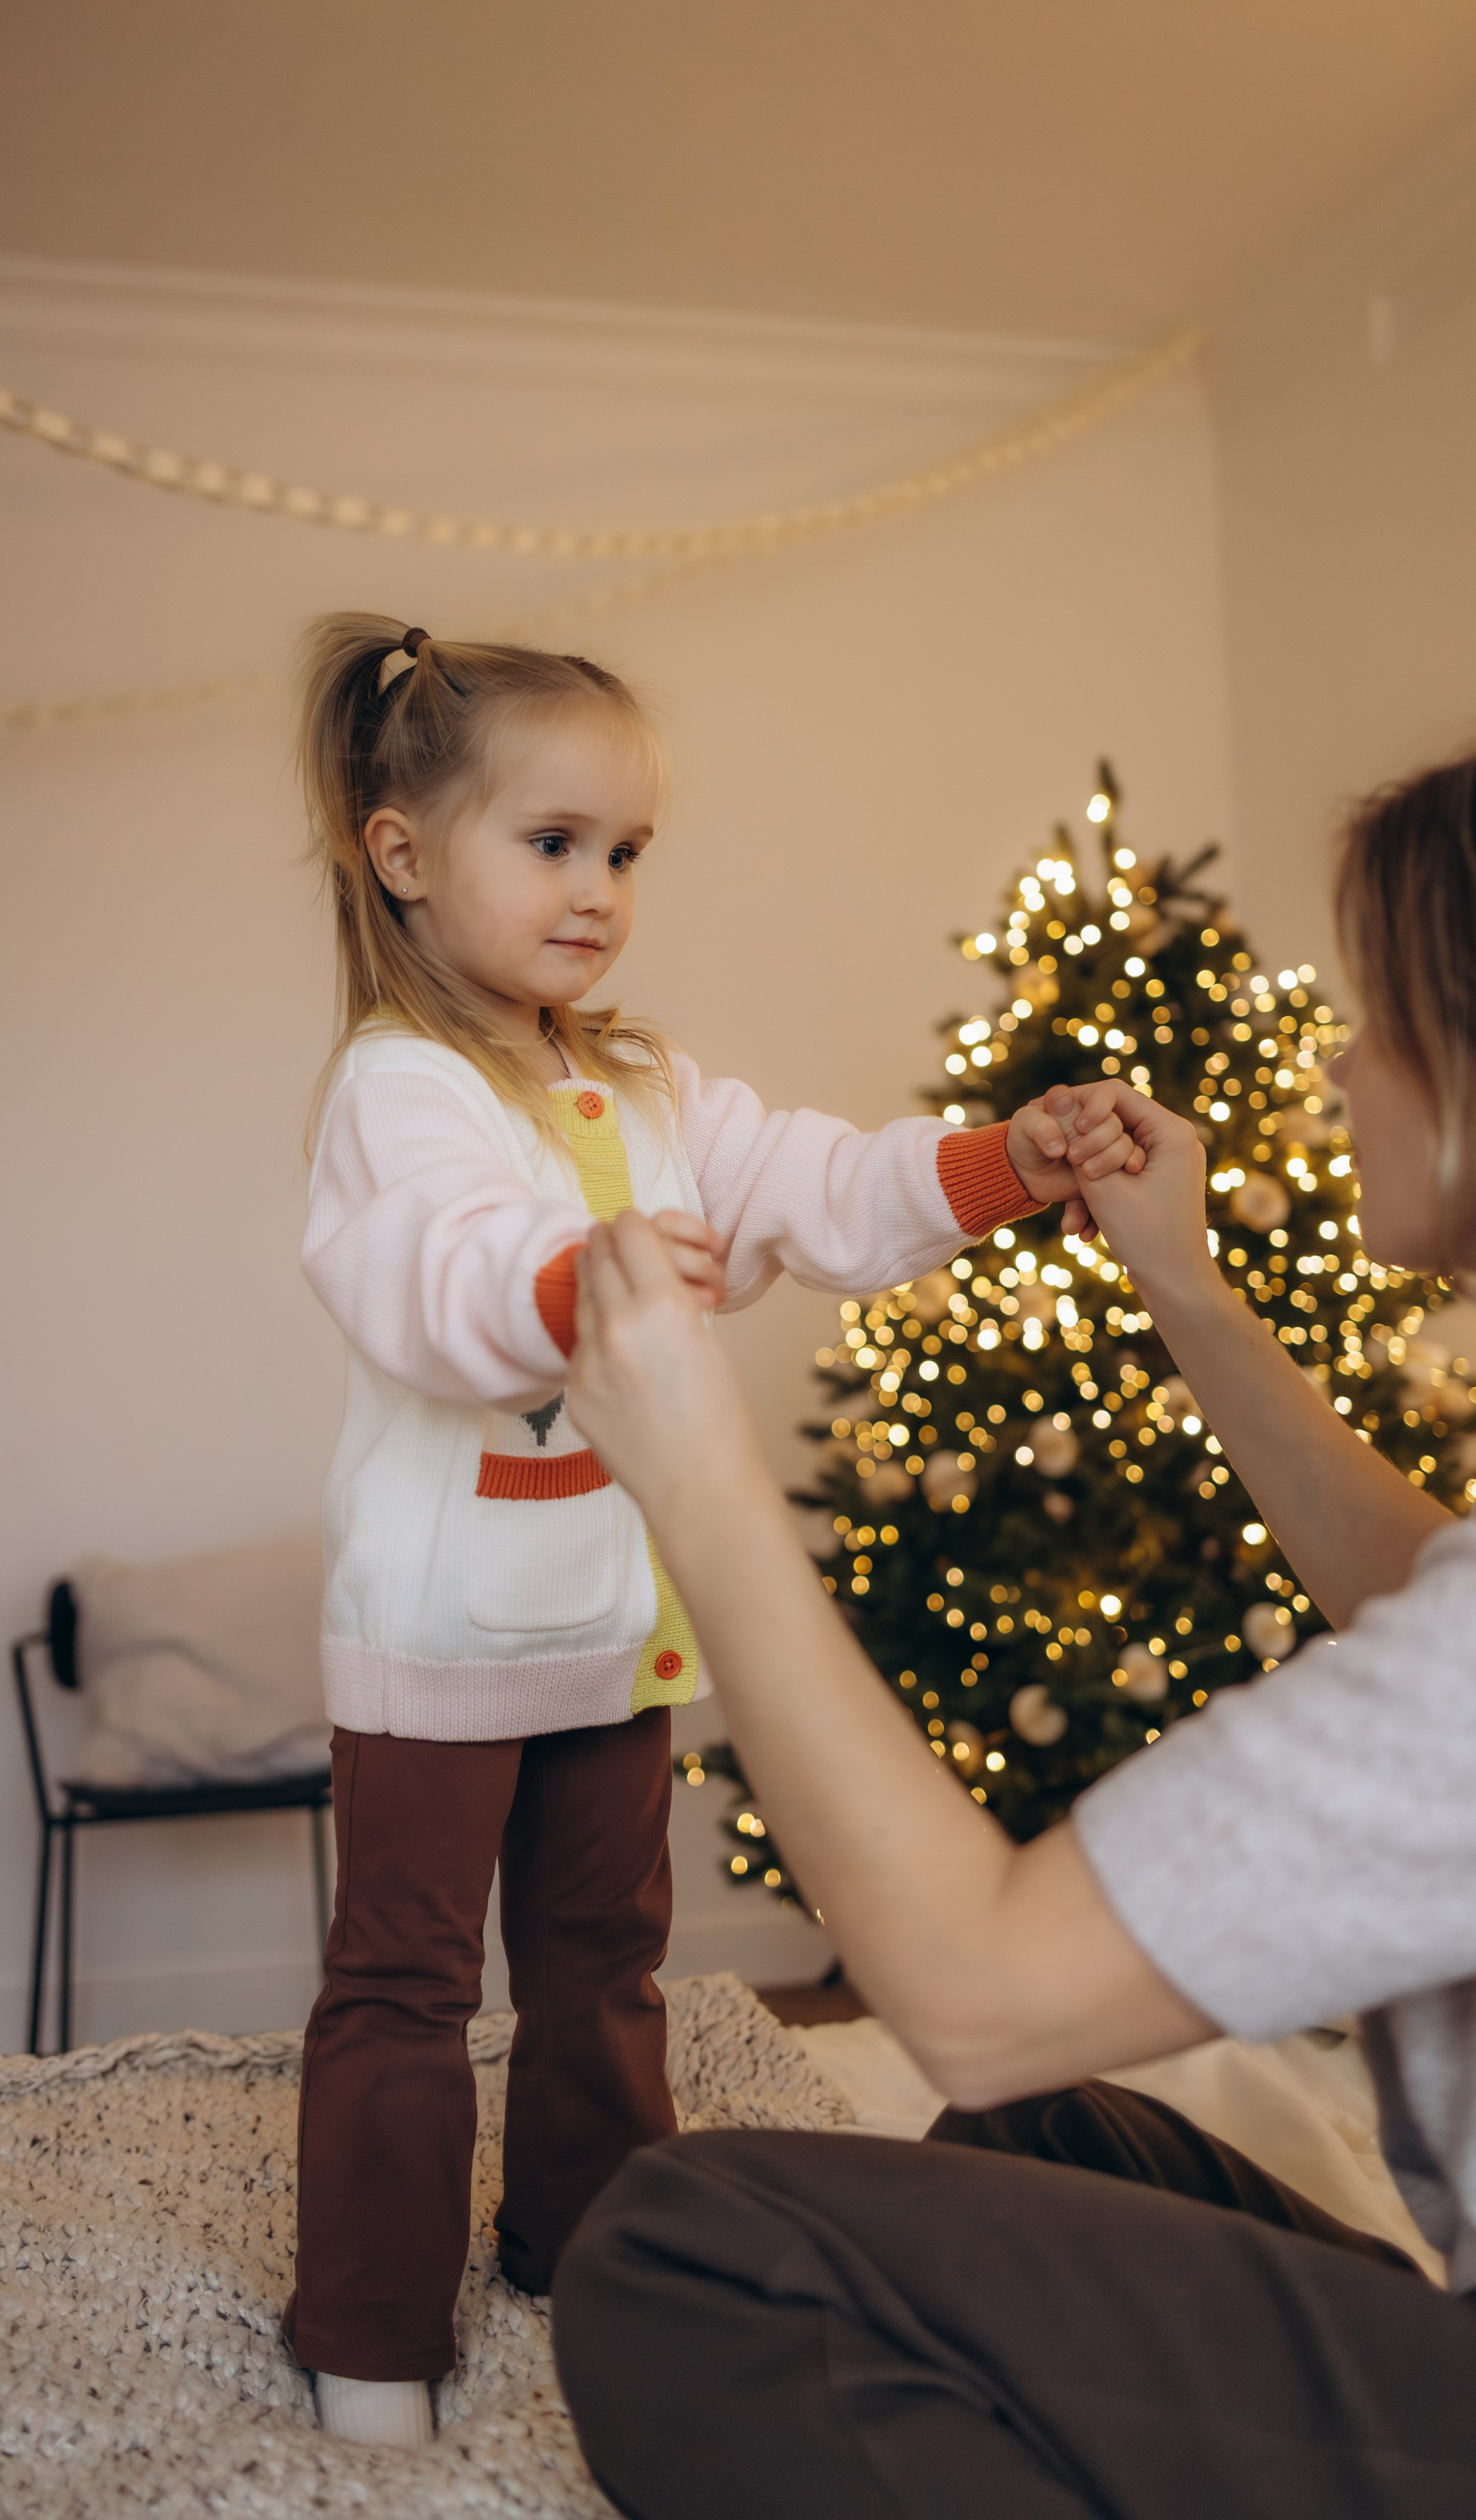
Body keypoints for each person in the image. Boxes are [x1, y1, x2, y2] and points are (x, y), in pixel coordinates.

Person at [551, 698, 1476, 2518]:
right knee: (1043, 2149)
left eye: (1386, 1018)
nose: (1338, 1067)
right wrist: (1195, 1301)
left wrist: (697, 1475)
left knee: (702, 2237)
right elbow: (1449, 1614)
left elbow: (980, 1991)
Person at [282, 613, 1135, 2447]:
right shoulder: (400, 1088)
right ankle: (370, 2331)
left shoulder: (656, 1086)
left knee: (606, 1965)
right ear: (406, 853)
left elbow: (823, 1184)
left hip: (607, 1616)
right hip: (443, 1634)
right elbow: (420, 1279)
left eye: (626, 852)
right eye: (553, 842)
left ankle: (585, 2244)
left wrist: (1007, 1160)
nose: (597, 889)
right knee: (407, 1985)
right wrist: (562, 1274)